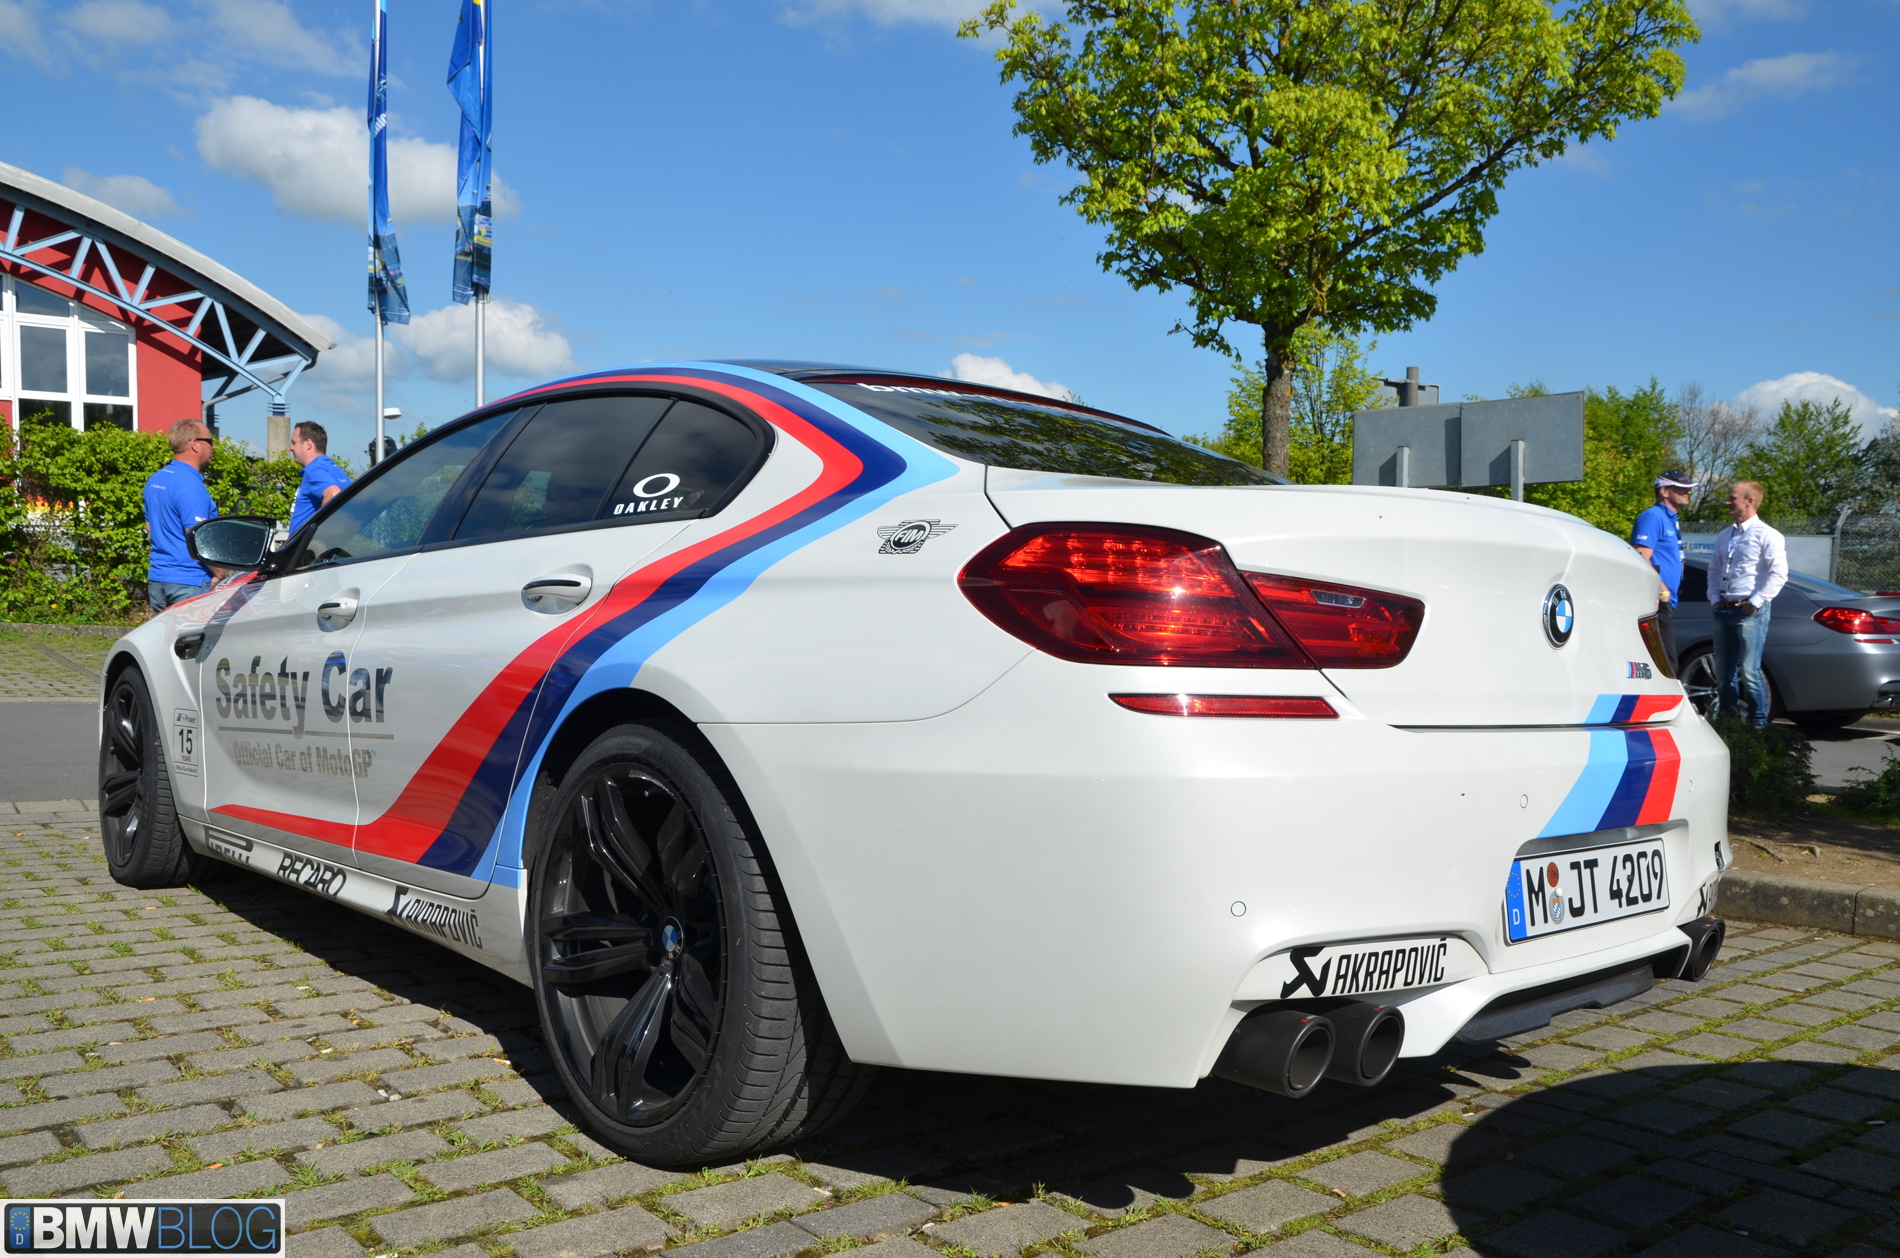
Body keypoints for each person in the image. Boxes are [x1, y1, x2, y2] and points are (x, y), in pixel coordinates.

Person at [1706, 480, 1788, 728]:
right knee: (1723, 673)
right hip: (1724, 608)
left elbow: (1779, 574)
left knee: (1750, 672)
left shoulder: (1767, 534)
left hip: (1750, 612)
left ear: (1749, 501)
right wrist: (1714, 599)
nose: (1727, 502)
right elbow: (1714, 569)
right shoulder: (1725, 535)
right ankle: (1728, 723)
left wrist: (1755, 602)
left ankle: (1758, 724)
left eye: (1732, 498)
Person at [142, 418, 219, 612]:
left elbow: (150, 527)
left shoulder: (156, 479)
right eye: (210, 441)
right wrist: (220, 572)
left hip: (158, 580)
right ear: (195, 444)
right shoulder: (190, 485)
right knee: (193, 633)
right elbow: (197, 536)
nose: (213, 447)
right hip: (188, 582)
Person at [1630, 470, 1696, 672]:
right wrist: (1662, 590)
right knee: (1666, 666)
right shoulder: (1653, 516)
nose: (1688, 493)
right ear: (1664, 491)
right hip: (1656, 602)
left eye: (1688, 489)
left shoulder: (1670, 519)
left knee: (1665, 665)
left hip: (1665, 603)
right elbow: (1640, 557)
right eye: (1681, 489)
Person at [288, 420, 352, 532]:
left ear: (308, 444)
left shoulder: (314, 470)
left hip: (309, 543)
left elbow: (333, 494)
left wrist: (320, 534)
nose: (291, 448)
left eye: (294, 443)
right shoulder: (338, 471)